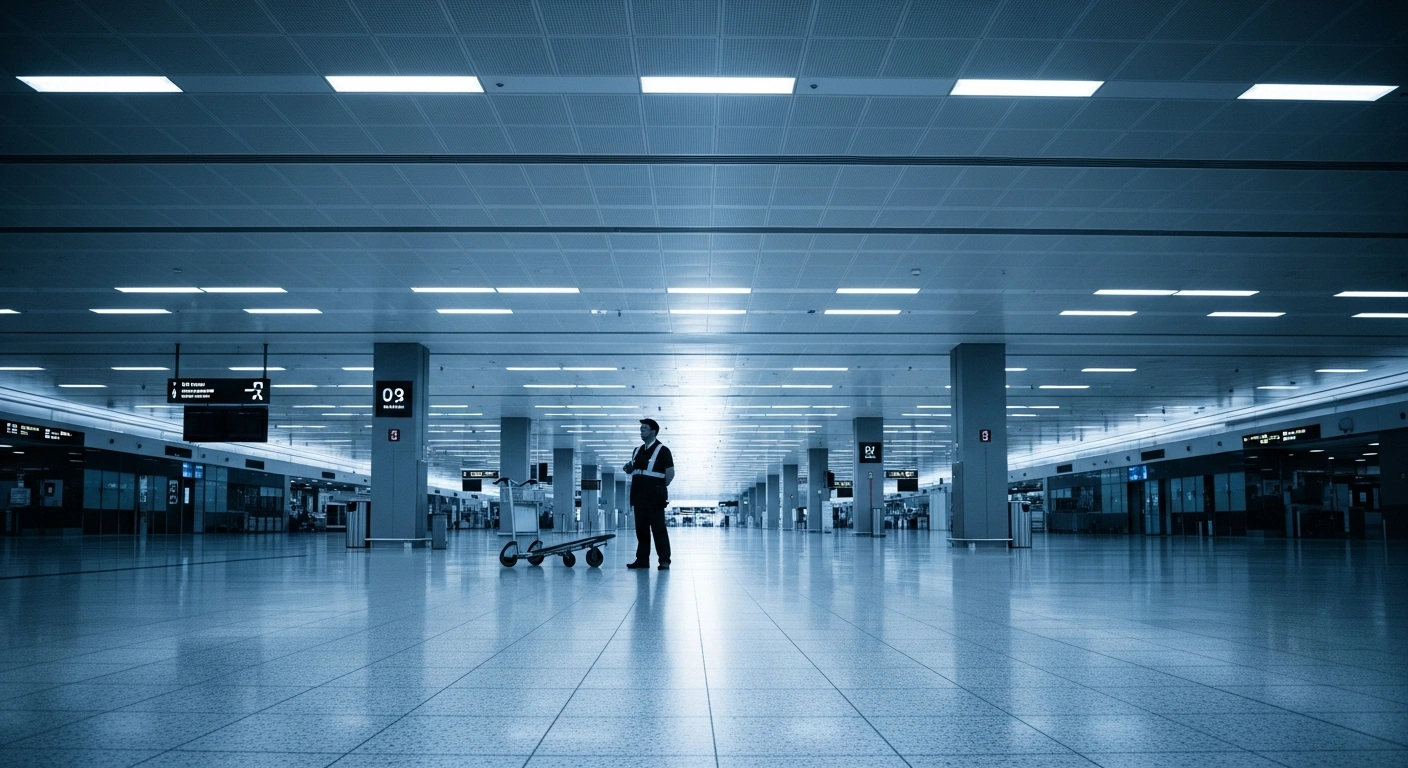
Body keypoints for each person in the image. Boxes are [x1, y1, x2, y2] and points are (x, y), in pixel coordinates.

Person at [623, 418, 674, 570]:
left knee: (658, 530)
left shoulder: (663, 450)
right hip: (638, 497)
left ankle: (664, 561)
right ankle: (642, 560)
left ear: (653, 431)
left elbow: (670, 473)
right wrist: (629, 468)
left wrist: (658, 488)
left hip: (655, 498)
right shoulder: (637, 450)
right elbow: (634, 467)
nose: (641, 431)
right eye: (641, 428)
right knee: (641, 531)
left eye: (644, 428)